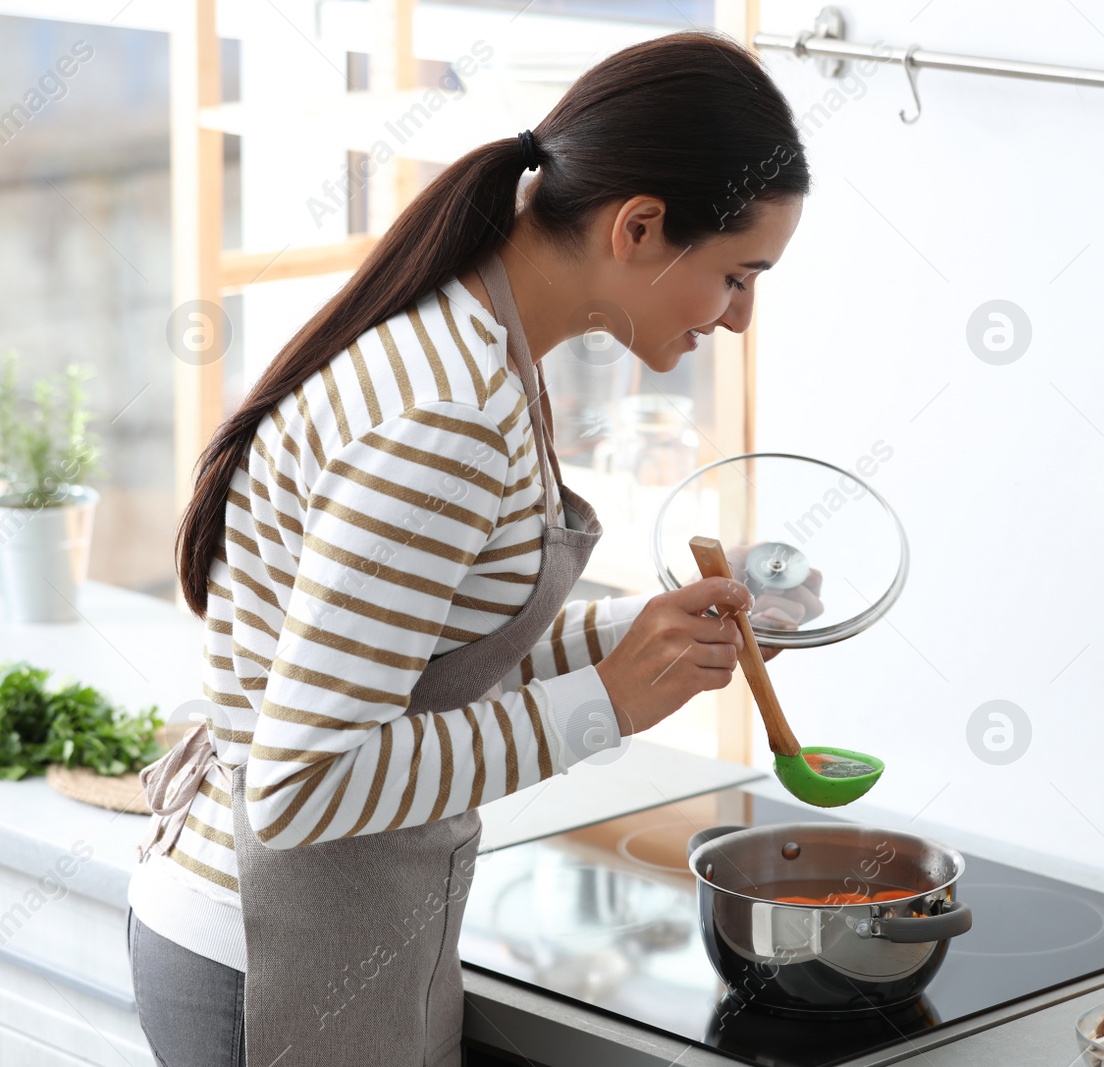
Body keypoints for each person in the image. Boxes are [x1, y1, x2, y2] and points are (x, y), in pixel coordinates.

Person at [126, 30, 814, 1067]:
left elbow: (427, 653)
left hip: (325, 936)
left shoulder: (476, 344)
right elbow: (304, 780)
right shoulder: (446, 413)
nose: (740, 318)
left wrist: (644, 633)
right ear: (639, 227)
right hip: (266, 960)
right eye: (737, 274)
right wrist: (606, 703)